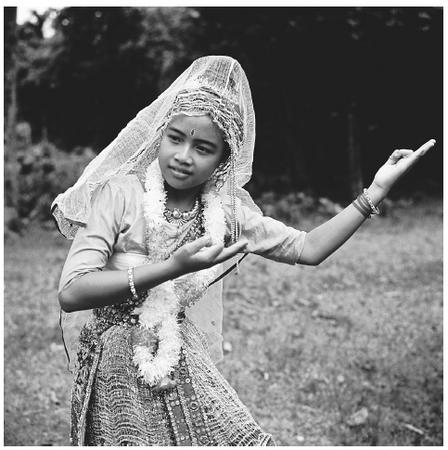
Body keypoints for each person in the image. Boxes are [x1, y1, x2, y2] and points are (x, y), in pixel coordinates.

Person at [52, 55, 435, 446]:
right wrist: (169, 268)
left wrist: (375, 192)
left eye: (203, 148)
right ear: (160, 135)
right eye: (175, 138)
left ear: (222, 161)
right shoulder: (121, 194)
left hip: (182, 351)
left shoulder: (228, 213)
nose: (184, 156)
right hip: (116, 358)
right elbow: (72, 292)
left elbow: (308, 247)